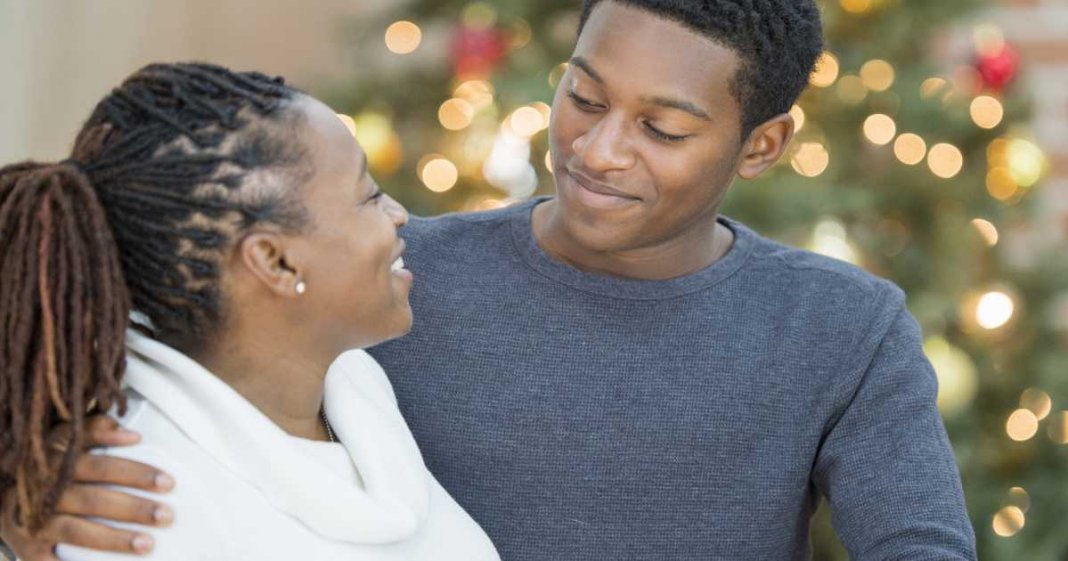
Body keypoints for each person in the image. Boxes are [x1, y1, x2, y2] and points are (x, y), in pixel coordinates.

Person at [3, 1, 978, 560]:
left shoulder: (844, 327)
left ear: (761, 144)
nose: (598, 151)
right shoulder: (384, 279)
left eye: (662, 130)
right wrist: (24, 492)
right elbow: (95, 319)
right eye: (583, 97)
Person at [0, 63, 499, 560]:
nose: (398, 214)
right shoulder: (136, 512)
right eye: (368, 196)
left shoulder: (353, 386)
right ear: (274, 262)